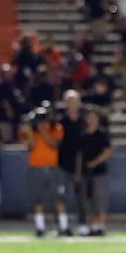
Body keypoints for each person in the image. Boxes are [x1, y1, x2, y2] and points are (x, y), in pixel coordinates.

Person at [26, 105, 65, 236]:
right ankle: (40, 227)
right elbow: (31, 146)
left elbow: (53, 144)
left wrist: (42, 130)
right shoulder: (34, 130)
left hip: (52, 166)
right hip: (36, 166)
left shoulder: (56, 128)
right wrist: (31, 129)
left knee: (58, 198)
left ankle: (63, 226)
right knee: (38, 199)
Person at [78, 107, 112, 236]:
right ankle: (93, 225)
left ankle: (101, 226)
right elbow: (79, 155)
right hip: (85, 172)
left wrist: (95, 162)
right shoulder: (83, 134)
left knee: (100, 199)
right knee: (88, 200)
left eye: (93, 116)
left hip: (99, 172)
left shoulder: (102, 133)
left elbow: (107, 151)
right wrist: (79, 170)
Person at [56, 90, 84, 236]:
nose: (72, 105)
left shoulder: (83, 122)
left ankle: (82, 225)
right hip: (62, 165)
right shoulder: (60, 122)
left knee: (82, 198)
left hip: (83, 166)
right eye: (69, 102)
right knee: (61, 197)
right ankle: (63, 225)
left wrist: (80, 169)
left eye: (74, 101)